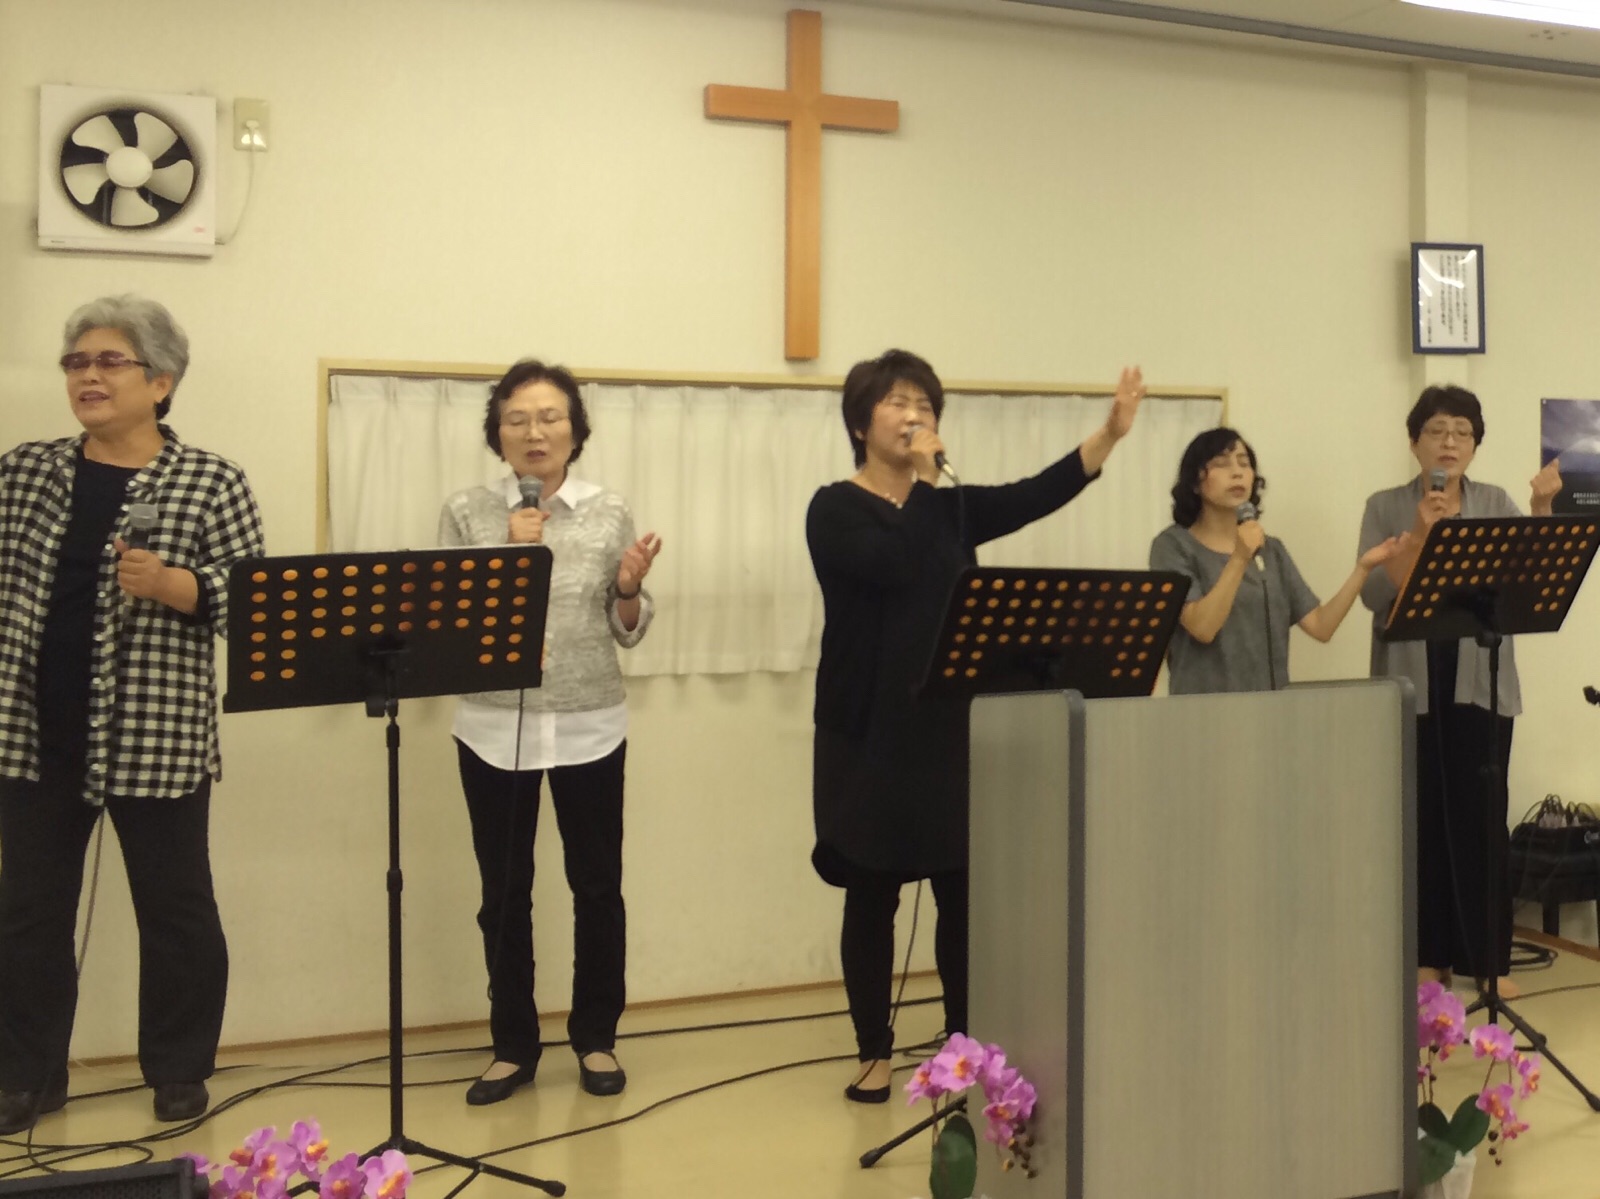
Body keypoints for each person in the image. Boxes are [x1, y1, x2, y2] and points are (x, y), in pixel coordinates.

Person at [806, 349, 1145, 1103]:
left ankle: (962, 1042)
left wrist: (1110, 435)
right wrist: (929, 485)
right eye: (898, 402)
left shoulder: (948, 505)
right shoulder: (833, 508)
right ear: (860, 423)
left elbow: (1036, 494)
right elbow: (891, 562)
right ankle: (872, 1051)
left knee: (961, 890)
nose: (914, 415)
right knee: (872, 892)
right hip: (867, 733)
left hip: (949, 724)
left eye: (925, 404)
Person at [0, 296, 265, 1135]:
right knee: (28, 913)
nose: (88, 375)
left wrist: (176, 585)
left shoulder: (211, 480)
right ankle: (27, 1076)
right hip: (33, 732)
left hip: (155, 735)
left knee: (176, 909)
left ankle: (180, 1068)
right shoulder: (25, 471)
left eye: (109, 361)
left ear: (161, 381)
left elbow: (255, 604)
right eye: (77, 362)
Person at [439, 359, 660, 1103]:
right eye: (518, 419)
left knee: (597, 885)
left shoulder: (608, 510)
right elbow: (446, 621)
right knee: (504, 892)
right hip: (492, 725)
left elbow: (626, 627)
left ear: (574, 429)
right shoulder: (468, 511)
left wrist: (628, 589)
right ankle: (512, 1045)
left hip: (590, 722)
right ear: (498, 433)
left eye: (550, 417)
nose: (535, 431)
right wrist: (505, 550)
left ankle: (596, 1036)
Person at [1357, 385, 1561, 997]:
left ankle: (1487, 963)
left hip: (1480, 679)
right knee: (1420, 819)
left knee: (1481, 820)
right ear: (1414, 441)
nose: (1450, 441)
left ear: (1474, 445)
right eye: (1437, 430)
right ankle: (1428, 957)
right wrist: (1421, 534)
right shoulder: (1385, 506)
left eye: (1463, 432)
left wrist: (1541, 508)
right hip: (1409, 682)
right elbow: (1374, 596)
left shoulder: (1494, 501)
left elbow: (1533, 578)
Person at [1150, 428, 1404, 693]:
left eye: (1244, 463)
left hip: (1271, 707)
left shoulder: (1271, 550)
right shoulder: (1173, 546)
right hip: (1204, 708)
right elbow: (1203, 627)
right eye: (1222, 464)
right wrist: (1239, 557)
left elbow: (1321, 626)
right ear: (1194, 482)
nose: (1237, 472)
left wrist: (1363, 569)